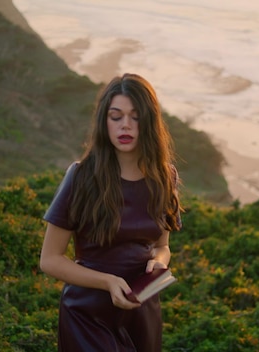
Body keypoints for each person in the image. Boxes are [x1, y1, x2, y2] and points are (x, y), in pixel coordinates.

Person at [40, 73, 183, 351]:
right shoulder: (81, 176)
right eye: (116, 116)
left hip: (142, 310)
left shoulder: (165, 177)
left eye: (135, 116)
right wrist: (108, 282)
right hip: (87, 315)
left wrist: (159, 263)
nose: (125, 125)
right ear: (104, 122)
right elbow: (50, 260)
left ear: (149, 121)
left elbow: (162, 246)